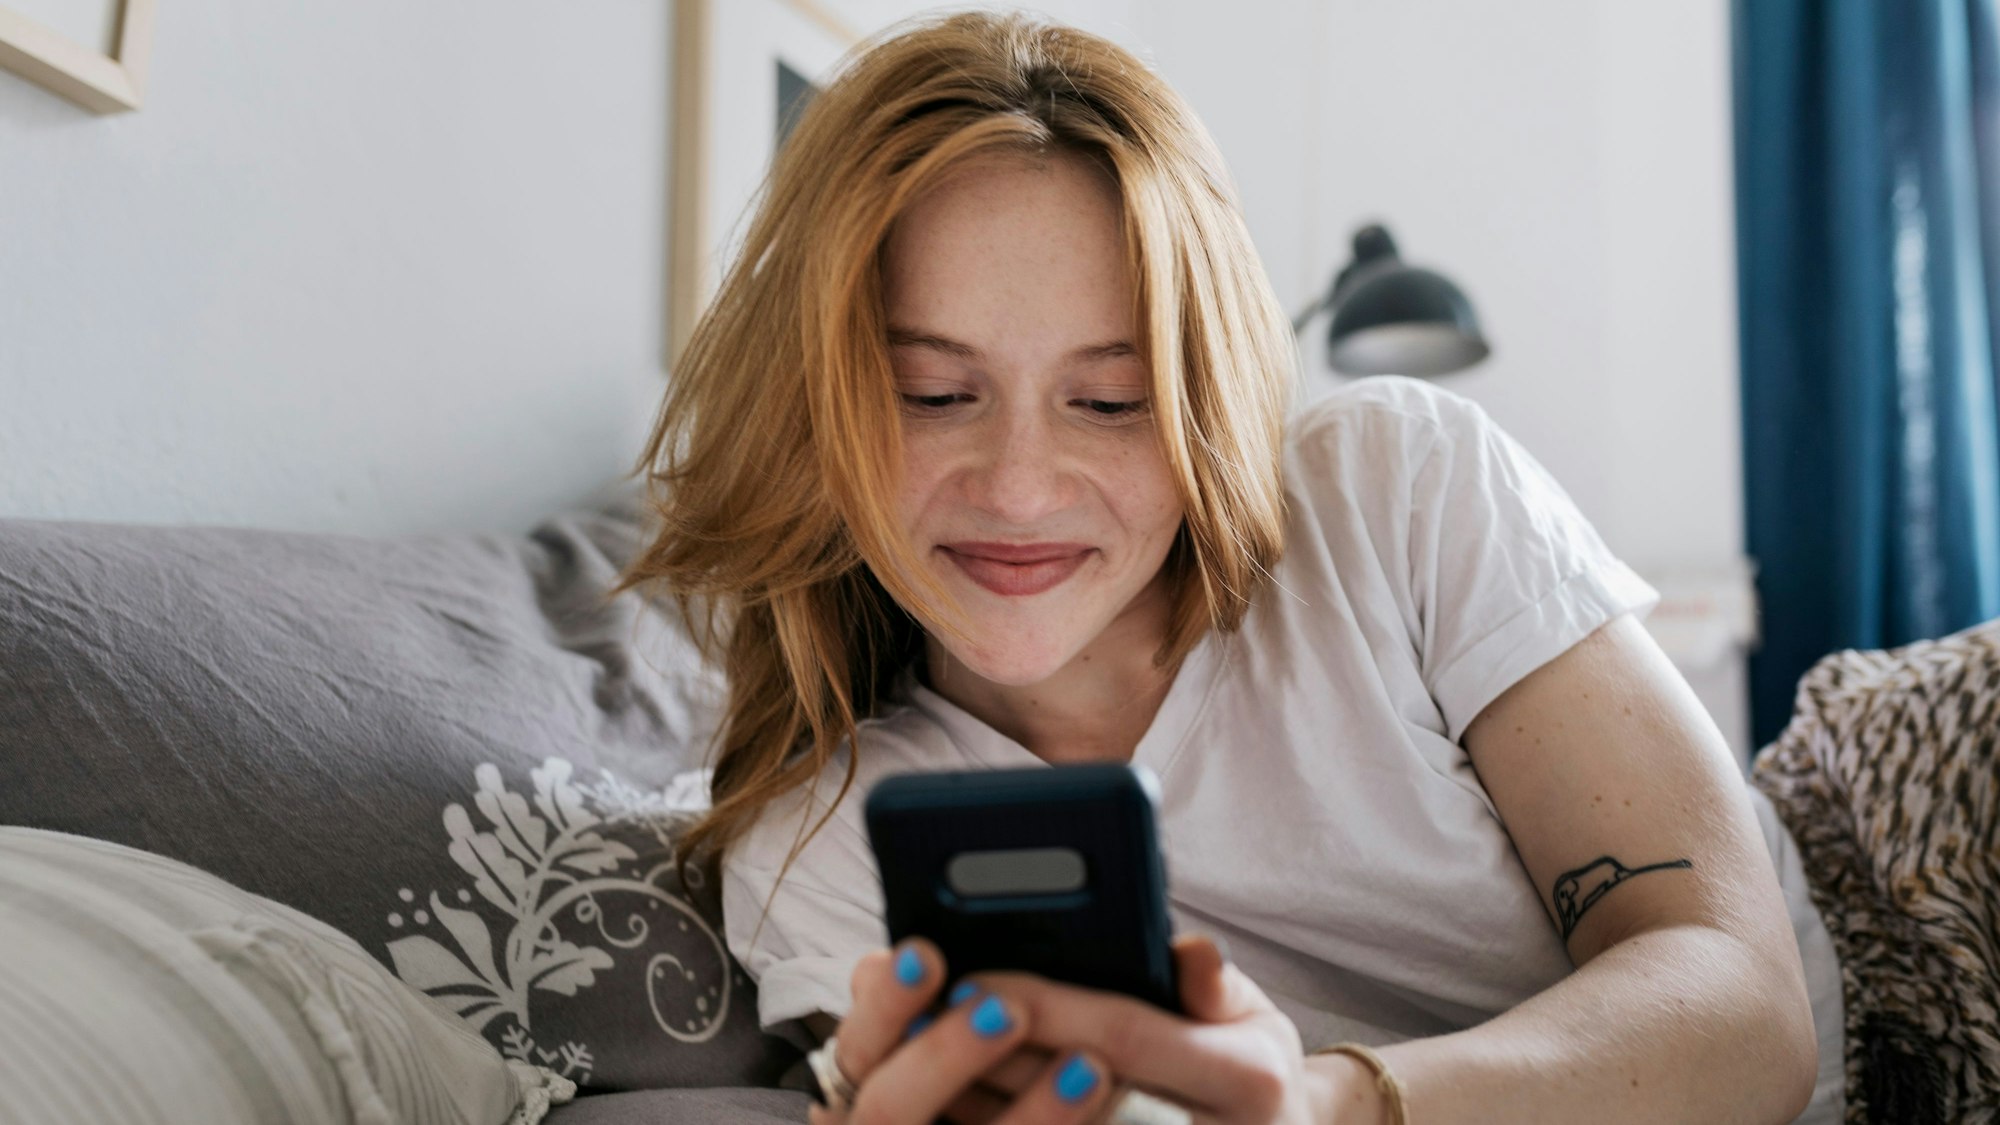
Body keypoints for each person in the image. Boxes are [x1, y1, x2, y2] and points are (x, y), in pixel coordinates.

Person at [613, 10, 1850, 1123]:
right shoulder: (823, 835)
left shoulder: (1393, 486)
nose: (1020, 486)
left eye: (1108, 400)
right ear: (817, 410)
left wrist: (1329, 1107)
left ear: (1202, 394)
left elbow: (1745, 1013)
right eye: (931, 394)